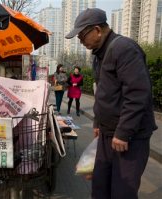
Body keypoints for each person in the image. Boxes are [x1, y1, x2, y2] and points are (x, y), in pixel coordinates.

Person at [65, 8, 157, 199]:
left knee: (122, 190)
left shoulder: (124, 48)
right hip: (108, 133)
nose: (80, 41)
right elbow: (103, 94)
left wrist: (124, 132)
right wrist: (98, 122)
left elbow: (137, 93)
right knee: (100, 184)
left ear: (97, 30)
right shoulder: (99, 54)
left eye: (82, 35)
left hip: (130, 137)